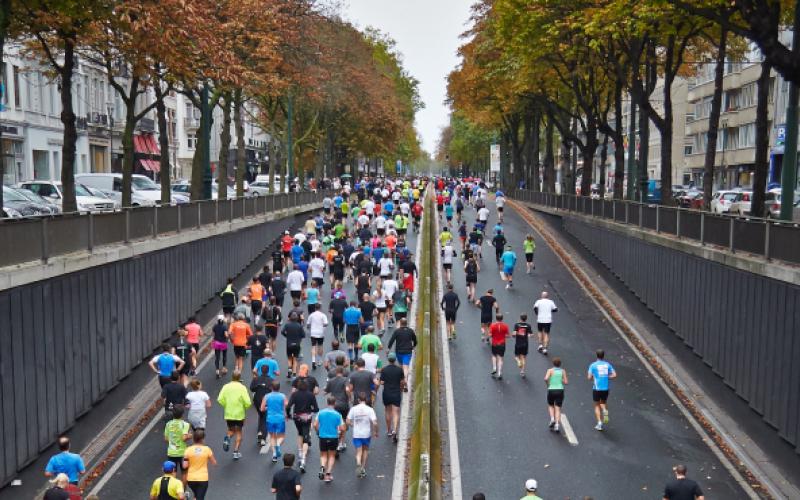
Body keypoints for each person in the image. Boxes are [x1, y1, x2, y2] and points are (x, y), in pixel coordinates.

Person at [217, 371, 252, 459]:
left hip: (229, 413)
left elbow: (220, 399)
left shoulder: (226, 386)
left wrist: (226, 405)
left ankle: (228, 437)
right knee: (239, 431)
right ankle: (236, 452)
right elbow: (248, 402)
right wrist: (245, 407)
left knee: (231, 429)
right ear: (239, 378)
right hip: (239, 413)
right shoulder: (242, 387)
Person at [287, 378, 319, 472]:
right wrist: (310, 411)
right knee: (306, 437)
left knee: (300, 433)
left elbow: (288, 406)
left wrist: (288, 414)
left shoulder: (294, 394)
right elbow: (316, 409)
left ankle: (300, 452)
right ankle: (303, 459)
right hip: (307, 419)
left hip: (297, 418)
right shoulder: (311, 395)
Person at [347, 392, 379, 478]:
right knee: (365, 450)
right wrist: (376, 432)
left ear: (358, 400)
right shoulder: (370, 409)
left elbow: (348, 421)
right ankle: (362, 467)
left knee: (358, 451)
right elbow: (375, 423)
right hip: (366, 434)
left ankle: (358, 462)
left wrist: (353, 425)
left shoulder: (353, 409)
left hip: (357, 433)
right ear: (366, 400)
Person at [315, 395, 346, 483]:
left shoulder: (320, 413)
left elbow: (315, 424)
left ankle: (322, 468)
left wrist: (318, 431)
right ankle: (328, 474)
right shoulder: (338, 415)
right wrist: (340, 434)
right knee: (332, 456)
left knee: (323, 455)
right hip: (333, 437)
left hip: (323, 437)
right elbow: (343, 428)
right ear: (334, 403)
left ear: (327, 403)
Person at [587, 349, 617, 431]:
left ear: (596, 355)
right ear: (603, 355)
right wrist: (607, 377)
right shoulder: (608, 365)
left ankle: (599, 422)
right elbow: (614, 375)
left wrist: (594, 377)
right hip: (605, 388)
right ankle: (604, 411)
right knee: (603, 402)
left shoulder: (593, 365)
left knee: (596, 405)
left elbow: (589, 377)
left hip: (597, 388)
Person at [324, 367, 351, 452]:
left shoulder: (331, 381)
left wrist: (324, 392)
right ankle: (341, 443)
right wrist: (349, 397)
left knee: (335, 423)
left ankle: (335, 440)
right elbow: (347, 389)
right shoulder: (345, 380)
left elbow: (326, 390)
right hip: (343, 404)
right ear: (342, 372)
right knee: (343, 422)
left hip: (334, 405)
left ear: (336, 372)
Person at [380, 352, 405, 441]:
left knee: (387, 411)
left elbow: (382, 382)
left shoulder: (384, 370)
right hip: (396, 393)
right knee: (395, 413)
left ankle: (389, 430)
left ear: (388, 359)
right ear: (395, 360)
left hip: (386, 393)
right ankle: (395, 430)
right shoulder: (399, 370)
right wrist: (401, 389)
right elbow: (402, 382)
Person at [164, 405, 192, 485]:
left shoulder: (168, 424)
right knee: (184, 472)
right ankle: (183, 491)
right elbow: (184, 438)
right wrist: (189, 436)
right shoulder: (185, 424)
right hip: (182, 453)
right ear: (182, 414)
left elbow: (166, 439)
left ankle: (174, 490)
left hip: (171, 452)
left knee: (173, 473)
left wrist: (173, 441)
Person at [262, 380, 288, 462]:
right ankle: (278, 444)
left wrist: (268, 408)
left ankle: (274, 455)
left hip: (270, 419)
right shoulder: (283, 396)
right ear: (279, 388)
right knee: (282, 436)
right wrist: (286, 415)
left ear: (271, 388)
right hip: (280, 419)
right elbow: (286, 406)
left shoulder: (266, 396)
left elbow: (262, 408)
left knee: (272, 436)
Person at [250, 364, 273, 446]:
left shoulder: (256, 379)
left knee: (261, 415)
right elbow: (273, 390)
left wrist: (258, 387)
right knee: (265, 417)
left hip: (257, 400)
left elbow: (252, 388)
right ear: (268, 371)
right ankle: (263, 437)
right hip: (266, 401)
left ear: (261, 371)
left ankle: (260, 432)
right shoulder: (271, 380)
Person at [545, 357, 568, 432]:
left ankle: (552, 419)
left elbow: (545, 378)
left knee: (551, 405)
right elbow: (566, 382)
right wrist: (560, 379)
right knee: (558, 408)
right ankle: (557, 425)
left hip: (551, 390)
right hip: (560, 390)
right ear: (560, 364)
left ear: (553, 363)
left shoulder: (550, 370)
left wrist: (548, 385)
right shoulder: (563, 371)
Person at [282, 312, 306, 378]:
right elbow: (303, 335)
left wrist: (287, 336)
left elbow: (282, 332)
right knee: (295, 359)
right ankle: (294, 374)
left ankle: (289, 370)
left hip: (289, 344)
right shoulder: (299, 326)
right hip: (297, 344)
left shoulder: (287, 325)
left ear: (290, 318)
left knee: (289, 358)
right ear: (297, 318)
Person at [306, 303, 329, 369]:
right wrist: (322, 326)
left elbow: (308, 324)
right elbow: (326, 323)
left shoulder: (311, 315)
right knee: (320, 346)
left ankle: (313, 360)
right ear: (320, 308)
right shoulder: (323, 315)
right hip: (320, 333)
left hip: (313, 333)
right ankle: (319, 360)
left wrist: (309, 327)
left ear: (315, 308)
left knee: (313, 347)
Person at [489, 314, 510, 379]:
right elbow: (508, 336)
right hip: (502, 344)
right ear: (502, 318)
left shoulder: (492, 325)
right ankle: (499, 372)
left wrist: (492, 336)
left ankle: (494, 368)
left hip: (494, 343)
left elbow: (490, 335)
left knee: (494, 355)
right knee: (500, 358)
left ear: (496, 318)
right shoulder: (505, 326)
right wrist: (503, 336)